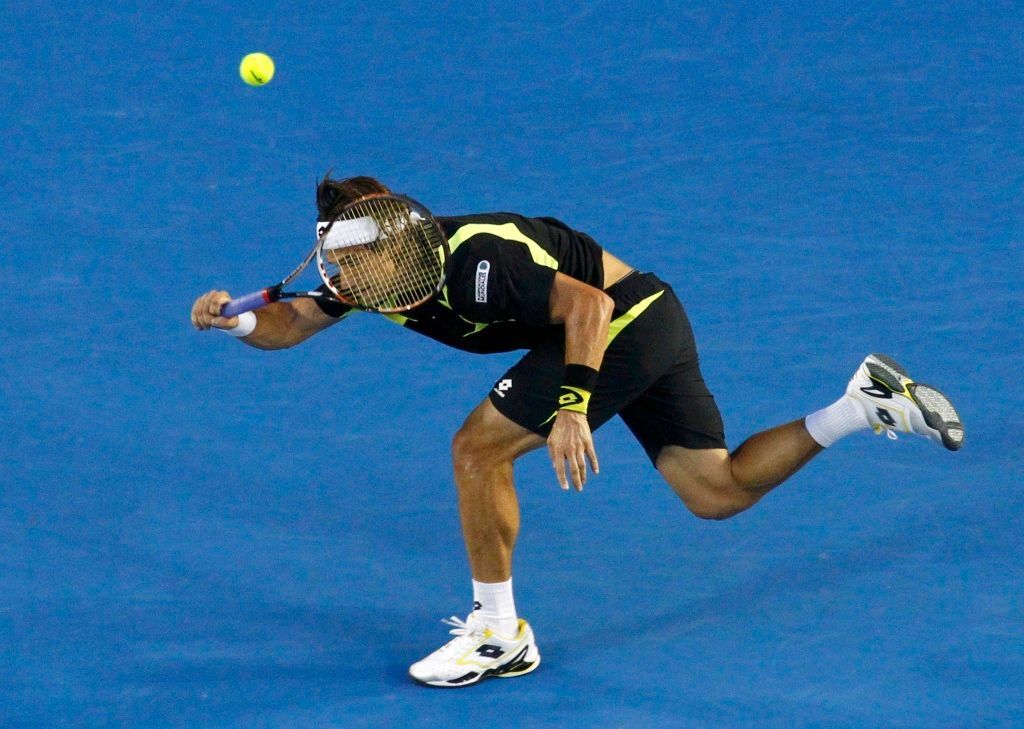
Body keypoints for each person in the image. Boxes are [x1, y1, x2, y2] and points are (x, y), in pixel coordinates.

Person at [190, 175, 964, 688]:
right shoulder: (369, 274)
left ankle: (499, 635)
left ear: (398, 241)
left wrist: (571, 404)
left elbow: (587, 309)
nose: (341, 279)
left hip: (618, 317)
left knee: (476, 448)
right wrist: (235, 323)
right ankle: (861, 404)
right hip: (653, 313)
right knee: (715, 490)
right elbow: (287, 326)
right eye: (338, 261)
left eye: (355, 260)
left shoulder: (478, 260)